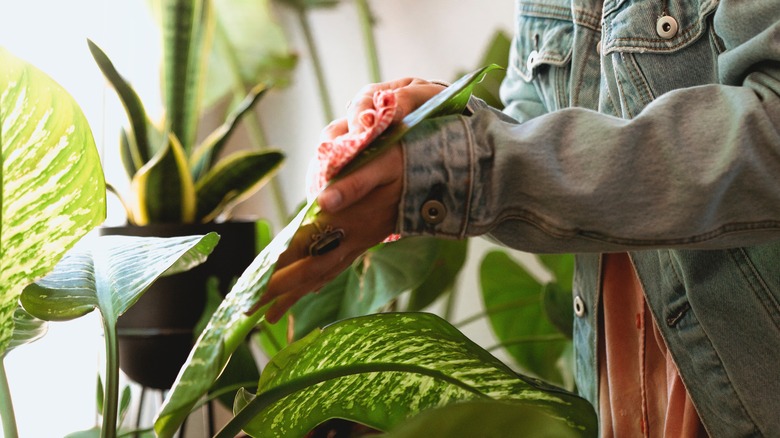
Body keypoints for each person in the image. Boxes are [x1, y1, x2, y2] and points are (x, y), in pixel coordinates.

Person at [258, 0, 780, 436]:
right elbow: (541, 128)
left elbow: (768, 137)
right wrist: (441, 118)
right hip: (622, 393)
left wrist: (458, 170)